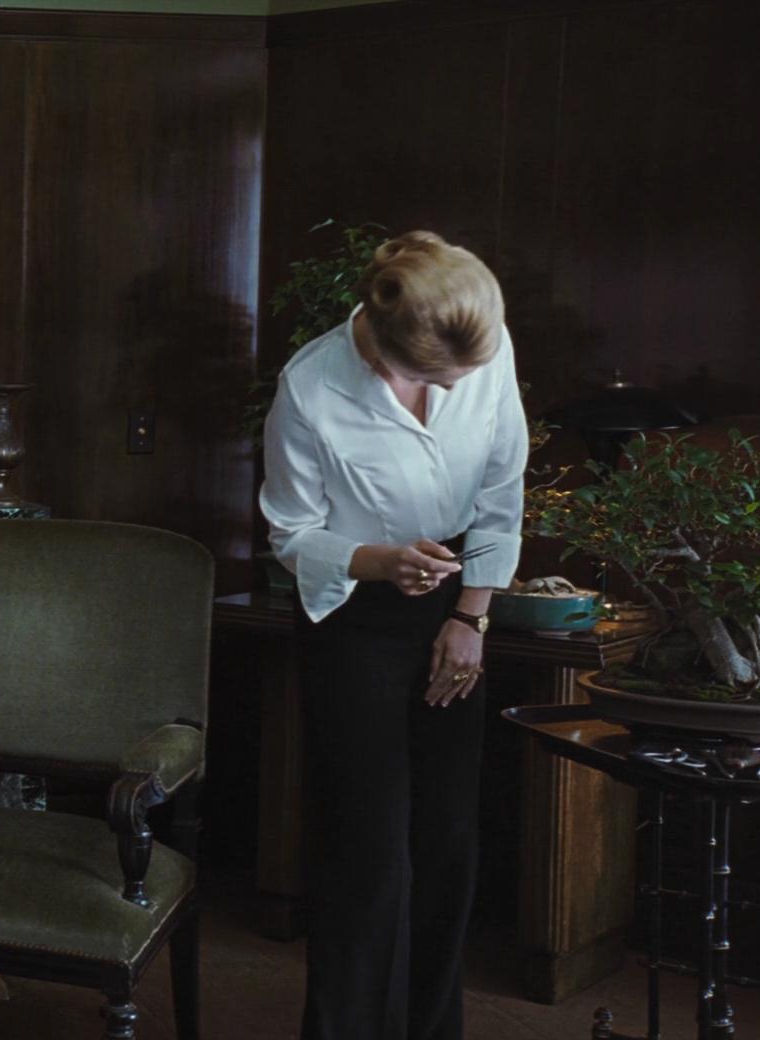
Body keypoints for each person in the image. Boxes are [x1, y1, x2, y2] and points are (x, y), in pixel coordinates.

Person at [260, 230, 527, 1040]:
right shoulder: (310, 386)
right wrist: (380, 562)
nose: (459, 387)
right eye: (439, 379)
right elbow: (291, 532)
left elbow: (501, 494)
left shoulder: (481, 345)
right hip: (353, 614)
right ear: (384, 350)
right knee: (367, 849)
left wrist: (470, 617)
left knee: (448, 840)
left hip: (458, 605)